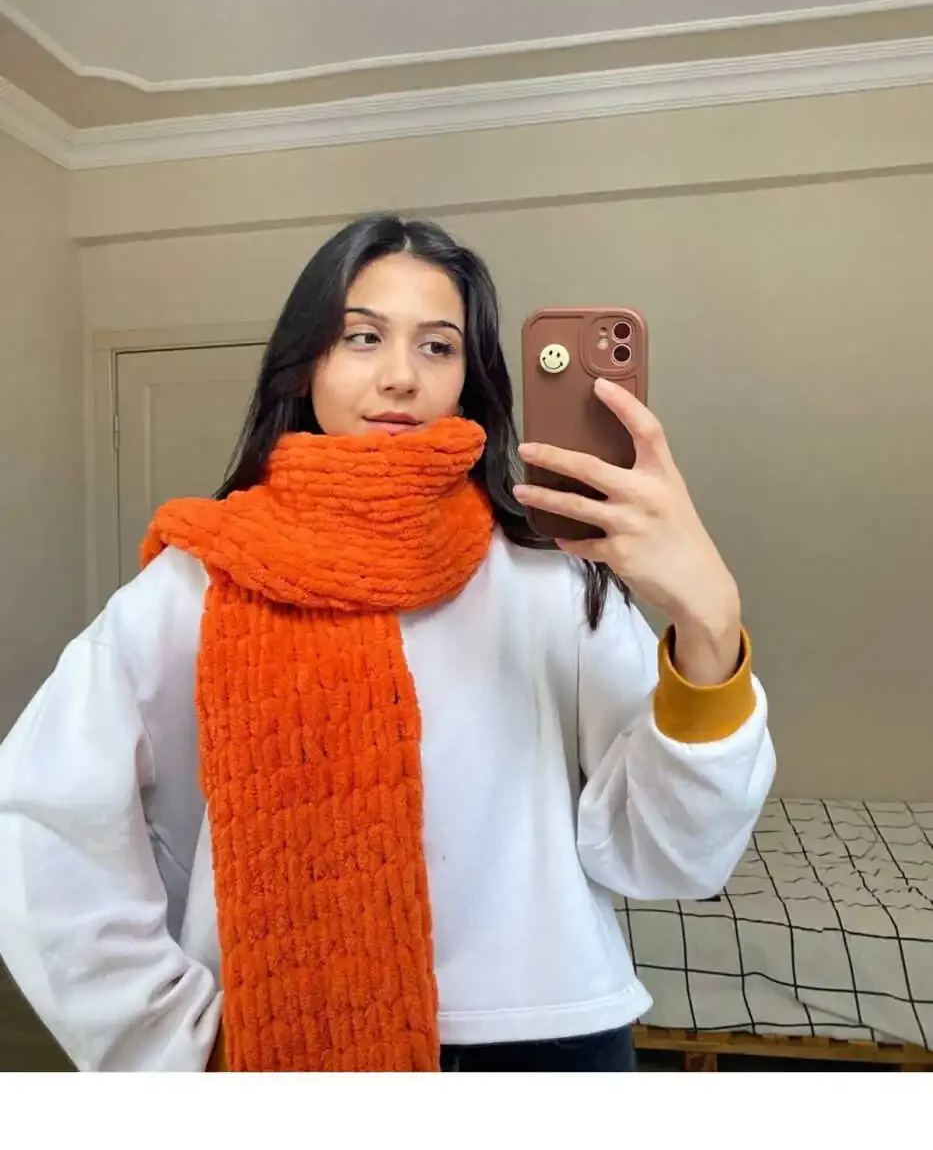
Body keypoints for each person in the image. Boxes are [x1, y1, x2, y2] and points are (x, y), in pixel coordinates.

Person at [0, 213, 775, 1073]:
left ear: (468, 379)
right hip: (275, 1045)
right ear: (307, 362)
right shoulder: (201, 579)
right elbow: (42, 820)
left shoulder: (550, 577)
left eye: (438, 346)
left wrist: (709, 624)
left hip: (550, 1044)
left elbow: (671, 856)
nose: (401, 376)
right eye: (362, 337)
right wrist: (166, 1036)